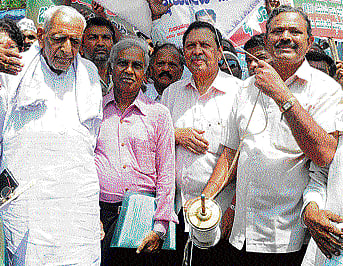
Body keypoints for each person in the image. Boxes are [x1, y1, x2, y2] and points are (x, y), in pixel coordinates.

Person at [201, 5, 343, 266]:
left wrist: (283, 96)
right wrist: (205, 199)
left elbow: (324, 156)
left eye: (295, 32)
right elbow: (230, 153)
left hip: (290, 236)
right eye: (278, 31)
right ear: (267, 40)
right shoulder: (246, 88)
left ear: (309, 42)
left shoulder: (327, 91)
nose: (285, 37)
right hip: (242, 234)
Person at [0, 6, 103, 265]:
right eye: (58, 39)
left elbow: (91, 139)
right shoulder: (13, 69)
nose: (67, 49)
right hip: (30, 201)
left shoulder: (89, 74)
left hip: (76, 203)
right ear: (41, 34)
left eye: (75, 41)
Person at [161, 21, 241, 265]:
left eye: (204, 45)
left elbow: (242, 157)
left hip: (219, 214)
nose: (197, 51)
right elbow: (156, 142)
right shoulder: (171, 93)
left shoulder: (239, 92)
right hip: (176, 213)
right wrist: (174, 134)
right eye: (190, 46)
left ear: (219, 52)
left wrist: (231, 212)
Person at [95, 36, 178, 265]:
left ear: (145, 73)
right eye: (122, 63)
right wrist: (91, 214)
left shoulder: (158, 114)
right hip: (101, 217)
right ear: (111, 68)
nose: (128, 70)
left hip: (143, 216)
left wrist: (160, 226)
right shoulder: (95, 110)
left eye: (137, 65)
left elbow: (166, 174)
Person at [81, 16, 120, 96]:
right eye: (93, 38)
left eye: (106, 38)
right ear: (81, 45)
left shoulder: (119, 77)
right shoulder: (73, 77)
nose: (100, 43)